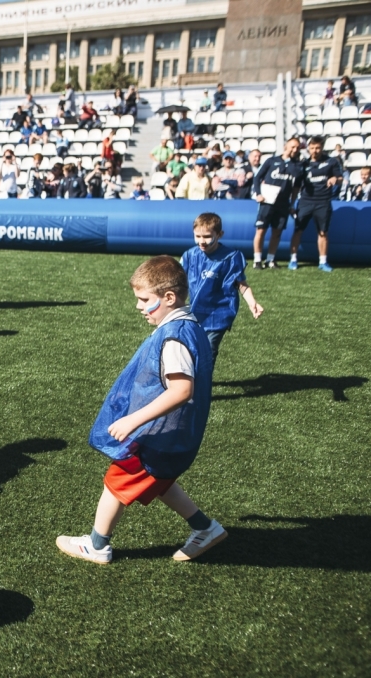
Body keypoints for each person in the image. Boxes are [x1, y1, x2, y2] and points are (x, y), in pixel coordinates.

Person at [55, 255, 223, 564]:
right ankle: (205, 528)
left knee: (116, 481)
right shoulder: (188, 325)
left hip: (160, 434)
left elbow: (181, 390)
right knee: (160, 481)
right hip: (171, 433)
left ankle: (97, 545)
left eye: (145, 299)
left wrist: (134, 419)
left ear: (168, 298)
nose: (139, 306)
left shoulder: (175, 337)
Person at [182, 213, 263, 363]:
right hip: (195, 311)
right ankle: (191, 380)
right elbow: (178, 281)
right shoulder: (190, 255)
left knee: (208, 350)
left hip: (219, 314)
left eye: (206, 236)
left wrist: (253, 303)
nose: (202, 241)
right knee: (191, 349)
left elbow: (242, 284)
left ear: (220, 234)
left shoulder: (231, 257)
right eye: (197, 236)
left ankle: (202, 383)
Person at [290, 135, 341, 272]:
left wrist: (334, 178)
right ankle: (293, 259)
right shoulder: (303, 164)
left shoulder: (331, 162)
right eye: (312, 148)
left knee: (323, 232)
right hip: (305, 201)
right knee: (298, 230)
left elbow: (340, 177)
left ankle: (323, 261)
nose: (315, 150)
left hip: (323, 202)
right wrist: (292, 203)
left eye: (317, 148)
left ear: (322, 148)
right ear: (308, 148)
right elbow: (296, 186)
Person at [252, 137, 301, 269]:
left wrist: (292, 203)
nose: (295, 150)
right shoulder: (272, 161)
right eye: (292, 147)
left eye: (297, 147)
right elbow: (257, 178)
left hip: (283, 204)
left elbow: (296, 187)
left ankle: (270, 259)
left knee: (277, 232)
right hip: (267, 201)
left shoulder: (297, 166)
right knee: (261, 230)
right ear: (286, 146)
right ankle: (257, 260)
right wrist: (258, 194)